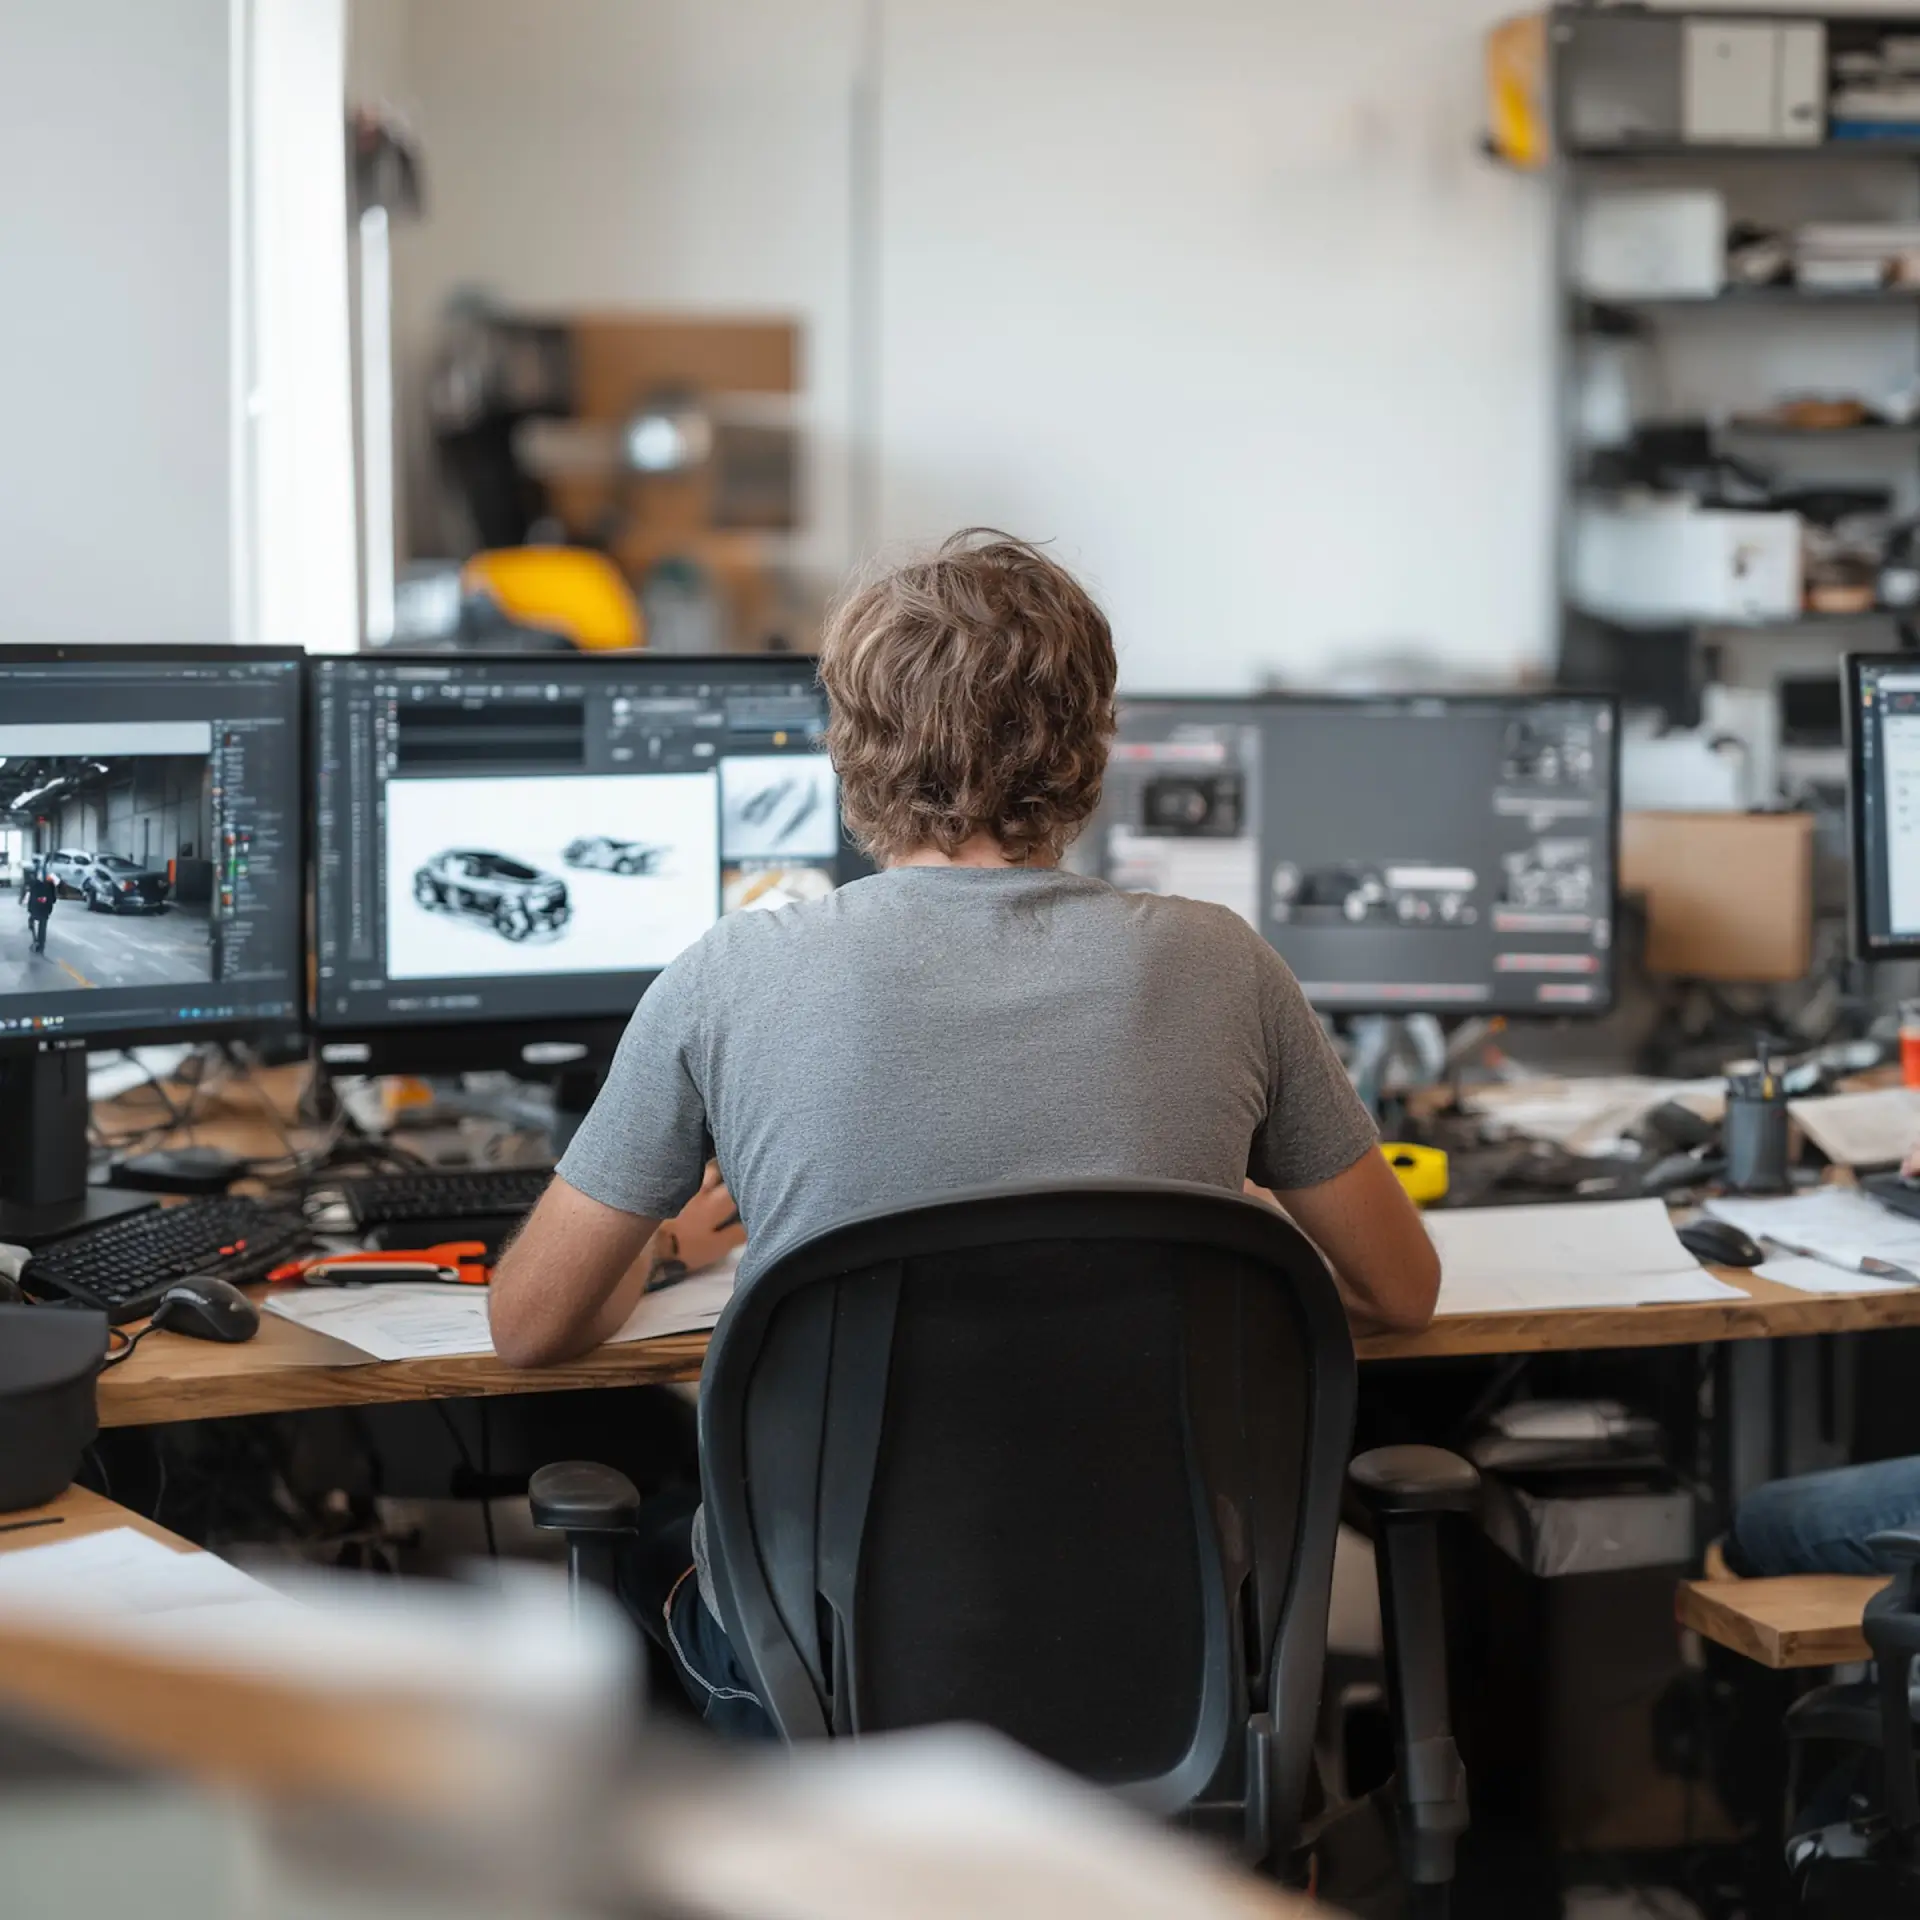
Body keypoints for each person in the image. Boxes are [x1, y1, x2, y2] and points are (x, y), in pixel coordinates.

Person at [490, 529, 1440, 1730]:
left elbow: (530, 1330)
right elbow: (1401, 1292)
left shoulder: (727, 979)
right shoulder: (1224, 966)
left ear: (848, 747)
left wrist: (674, 1246)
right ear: (1090, 746)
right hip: (1170, 1656)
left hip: (826, 1681)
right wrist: (1216, 1265)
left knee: (655, 1556)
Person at [23, 860, 57, 956]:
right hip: (46, 906)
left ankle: (36, 940)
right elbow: (54, 895)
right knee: (43, 925)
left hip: (36, 905)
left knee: (32, 921)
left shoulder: (34, 882)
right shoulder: (50, 880)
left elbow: (29, 893)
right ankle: (40, 944)